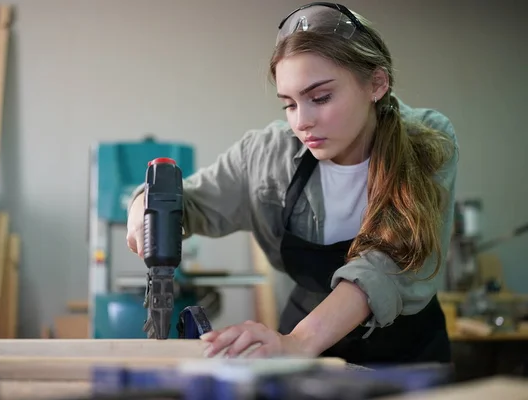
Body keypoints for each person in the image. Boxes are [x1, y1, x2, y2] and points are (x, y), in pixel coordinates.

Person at [126, 2, 459, 366]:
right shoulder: (266, 155)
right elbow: (191, 202)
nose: (301, 122)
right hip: (300, 344)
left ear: (376, 84)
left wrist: (297, 342)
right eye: (289, 104)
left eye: (320, 98)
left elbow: (387, 266)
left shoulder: (427, 140)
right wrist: (145, 206)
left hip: (405, 355)